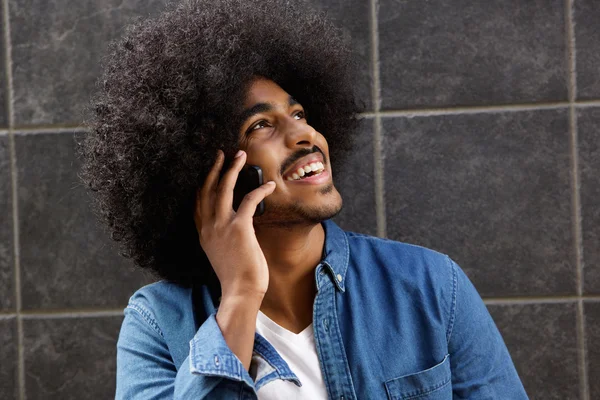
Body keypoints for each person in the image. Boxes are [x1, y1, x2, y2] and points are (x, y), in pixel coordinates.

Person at [78, 0, 529, 398]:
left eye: (299, 113)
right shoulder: (158, 324)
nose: (306, 135)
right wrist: (239, 296)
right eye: (261, 126)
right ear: (207, 170)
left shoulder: (432, 286)